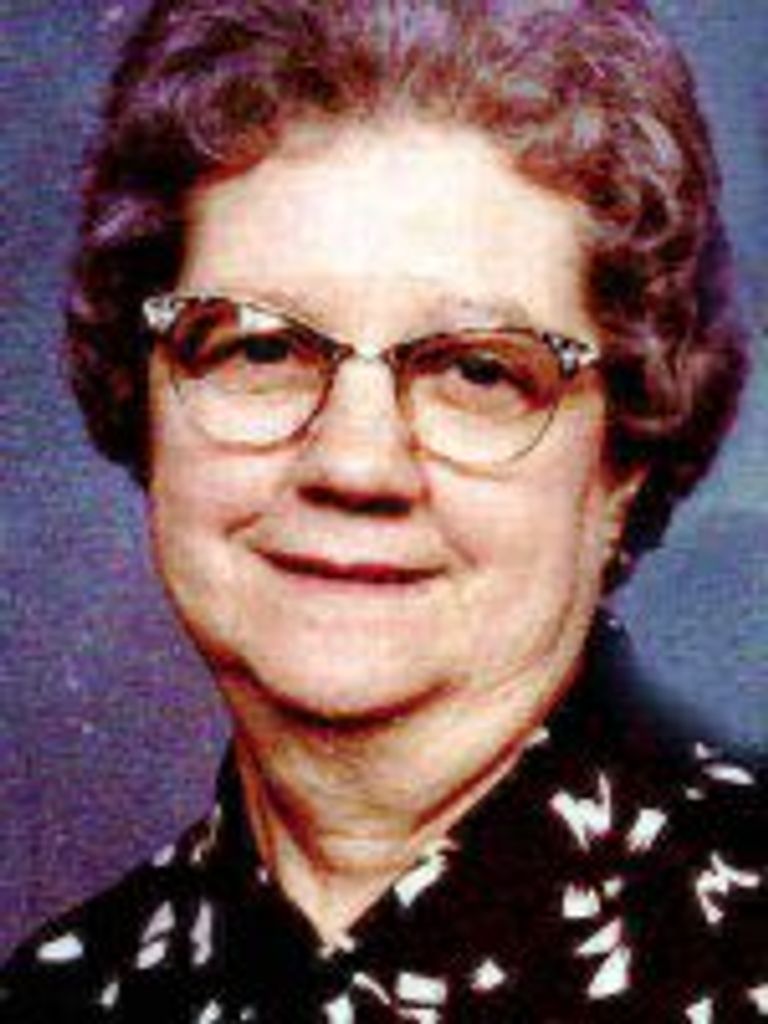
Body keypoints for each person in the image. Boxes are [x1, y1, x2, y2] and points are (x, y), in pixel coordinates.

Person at [2, 0, 764, 1020]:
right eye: (261, 346)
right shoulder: (59, 994)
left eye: (479, 371)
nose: (355, 464)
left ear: (623, 463)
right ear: (143, 401)